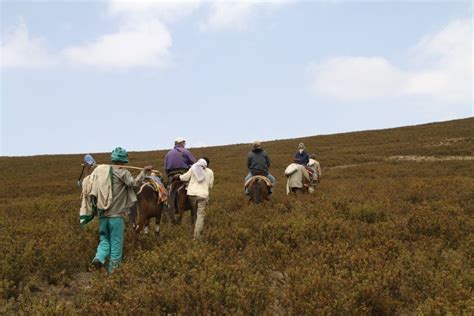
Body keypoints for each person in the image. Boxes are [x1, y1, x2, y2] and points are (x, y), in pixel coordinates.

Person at [90, 147, 152, 272]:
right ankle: (113, 273)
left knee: (104, 240)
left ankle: (98, 258)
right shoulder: (123, 173)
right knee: (116, 244)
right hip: (116, 217)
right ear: (124, 161)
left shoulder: (102, 172)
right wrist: (144, 172)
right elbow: (134, 184)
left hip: (102, 216)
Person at [179, 157, 214, 240]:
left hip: (192, 195)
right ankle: (197, 236)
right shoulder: (210, 172)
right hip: (203, 196)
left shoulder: (194, 167)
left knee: (194, 213)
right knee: (200, 216)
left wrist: (179, 176)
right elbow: (210, 185)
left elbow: (184, 178)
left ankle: (193, 231)